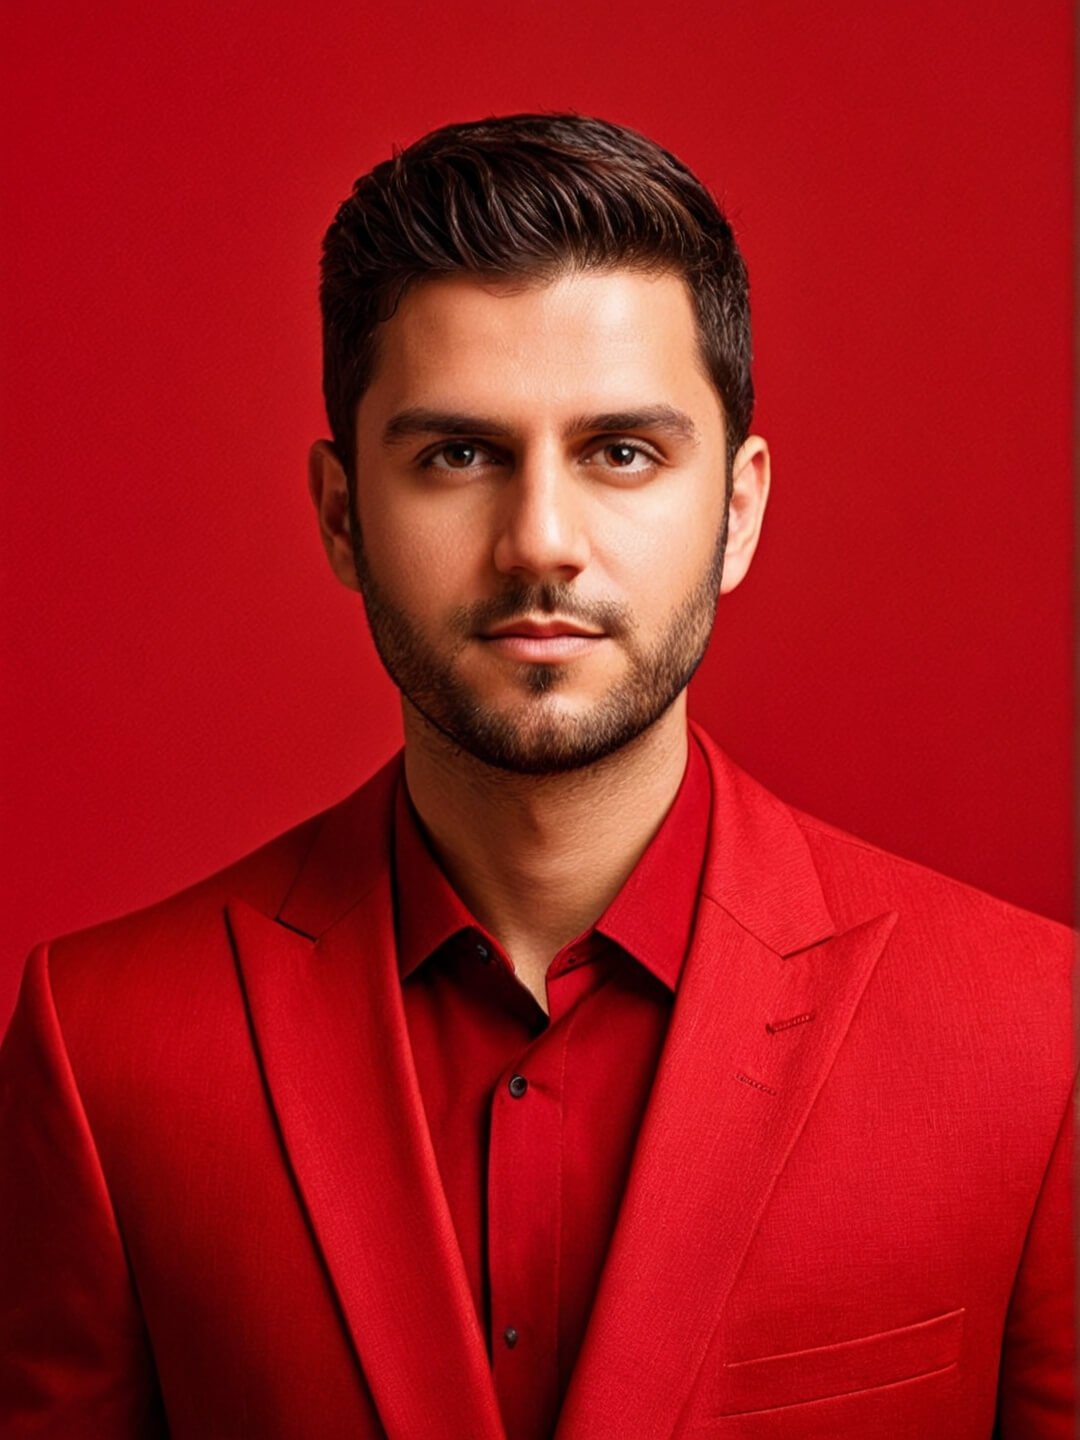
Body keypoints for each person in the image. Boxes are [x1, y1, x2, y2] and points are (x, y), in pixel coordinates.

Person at [0, 112, 1073, 1440]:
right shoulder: (108, 1048)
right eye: (459, 454)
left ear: (738, 508)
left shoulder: (1038, 1045)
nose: (540, 543)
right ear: (343, 513)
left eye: (622, 452)